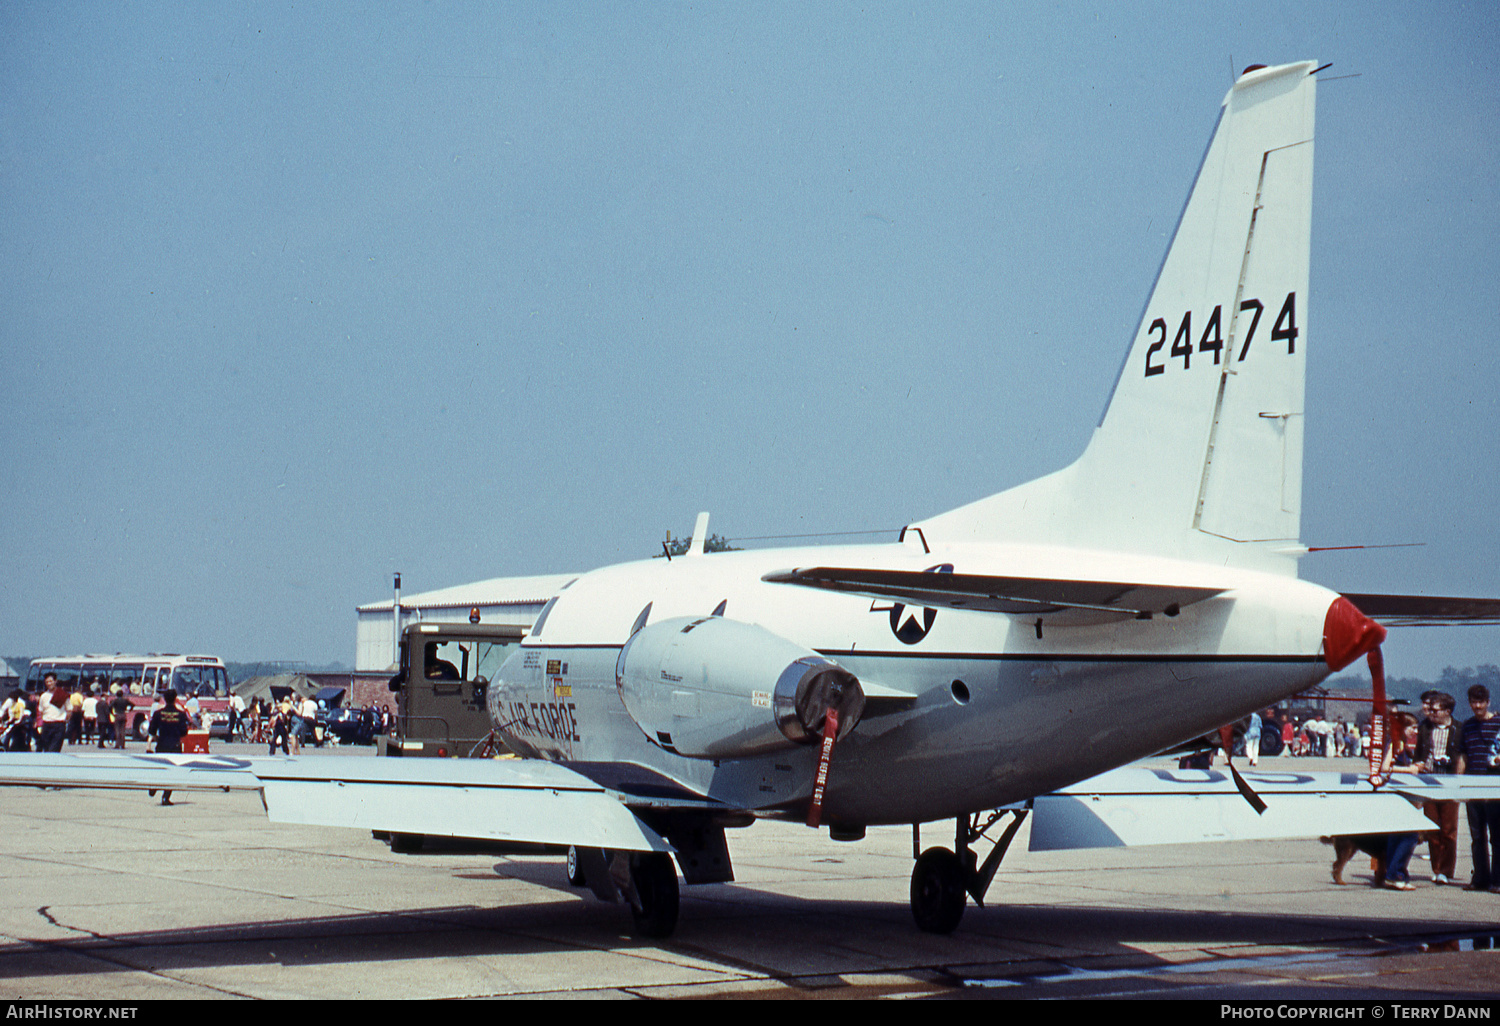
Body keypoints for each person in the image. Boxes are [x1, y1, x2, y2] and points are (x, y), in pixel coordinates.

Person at [1416, 691, 1463, 884]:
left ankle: (1446, 870)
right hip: (1429, 783)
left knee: (1449, 830)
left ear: (1448, 711)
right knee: (1432, 830)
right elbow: (1418, 754)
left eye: (1436, 710)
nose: (1431, 714)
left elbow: (1462, 757)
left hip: (1449, 783)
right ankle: (1436, 868)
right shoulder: (1425, 727)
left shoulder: (1460, 729)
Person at [1459, 684, 1500, 892]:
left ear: (1488, 702)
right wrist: (1458, 785)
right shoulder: (1467, 726)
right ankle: (1480, 878)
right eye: (1474, 702)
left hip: (1494, 788)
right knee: (1477, 837)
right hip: (1473, 786)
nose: (1477, 706)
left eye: (1481, 702)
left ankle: (1498, 880)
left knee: (1497, 837)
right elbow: (1463, 756)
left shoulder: (1499, 723)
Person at [1380, 712, 1422, 890]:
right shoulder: (1394, 744)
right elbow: (1384, 767)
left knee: (1398, 836)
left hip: (1400, 795)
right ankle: (1395, 873)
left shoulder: (1402, 744)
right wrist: (1409, 770)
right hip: (1397, 796)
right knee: (1409, 836)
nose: (1415, 731)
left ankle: (1395, 873)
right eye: (1412, 727)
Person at [147, 689, 190, 806]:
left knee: (161, 768)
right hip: (175, 745)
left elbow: (151, 730)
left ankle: (154, 785)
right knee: (172, 772)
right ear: (175, 698)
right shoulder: (180, 714)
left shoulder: (158, 714)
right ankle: (165, 797)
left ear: (164, 699)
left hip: (161, 744)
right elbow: (184, 732)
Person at [37, 675, 70, 753]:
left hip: (59, 725)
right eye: (47, 682)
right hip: (47, 725)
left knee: (54, 749)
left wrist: (66, 720)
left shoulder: (62, 694)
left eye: (50, 681)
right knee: (47, 749)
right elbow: (41, 711)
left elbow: (69, 710)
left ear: (55, 681)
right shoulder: (43, 696)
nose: (49, 683)